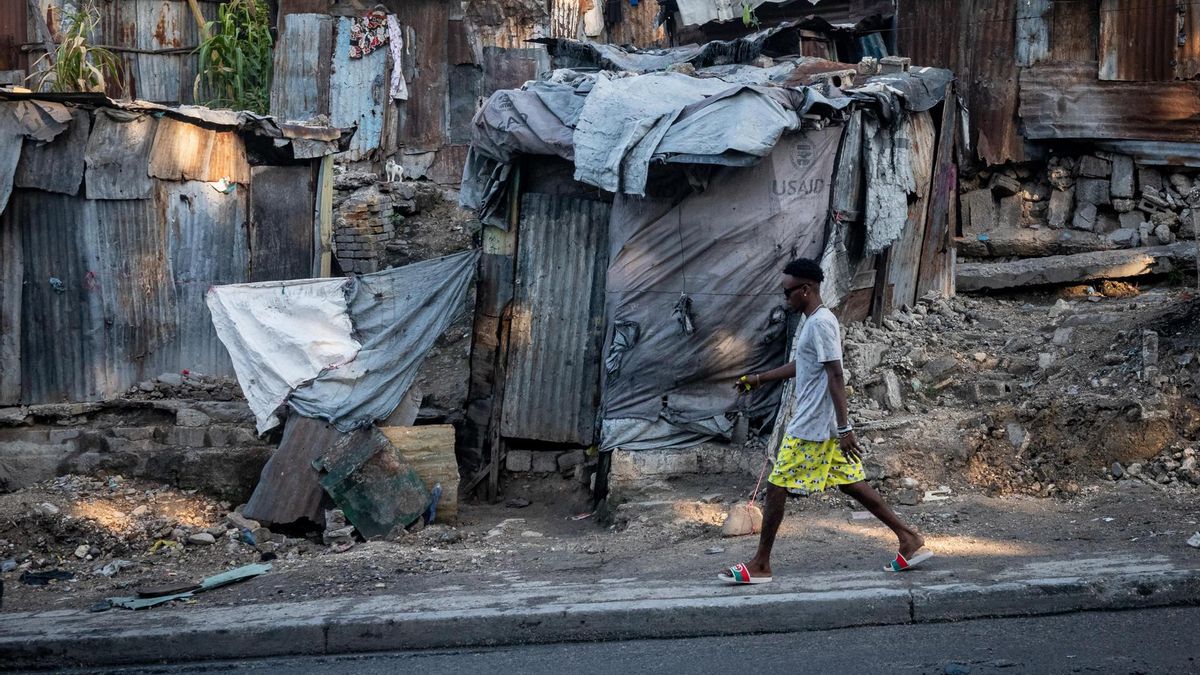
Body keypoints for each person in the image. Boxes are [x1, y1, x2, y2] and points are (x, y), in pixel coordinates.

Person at [718, 258, 930, 584]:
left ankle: (761, 564)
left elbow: (835, 372)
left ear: (807, 289)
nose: (784, 297)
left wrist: (845, 428)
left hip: (812, 426)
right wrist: (759, 378)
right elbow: (804, 366)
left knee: (776, 486)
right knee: (852, 484)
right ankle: (908, 538)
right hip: (822, 426)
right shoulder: (812, 321)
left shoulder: (821, 324)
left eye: (788, 291)